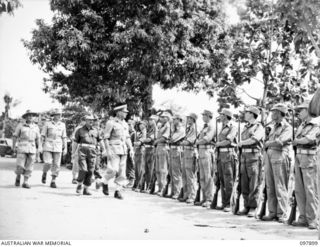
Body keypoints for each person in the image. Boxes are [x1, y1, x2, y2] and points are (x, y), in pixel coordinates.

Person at [263, 103, 292, 222]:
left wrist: (269, 143)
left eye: (274, 111)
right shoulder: (273, 127)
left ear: (280, 113)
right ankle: (272, 212)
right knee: (270, 185)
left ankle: (282, 213)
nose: (272, 114)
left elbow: (280, 141)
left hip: (279, 154)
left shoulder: (287, 127)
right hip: (269, 154)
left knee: (280, 185)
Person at [291, 101, 319, 230]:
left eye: (301, 110)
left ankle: (313, 219)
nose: (298, 113)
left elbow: (309, 139)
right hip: (299, 156)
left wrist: (297, 141)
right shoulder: (301, 125)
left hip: (309, 157)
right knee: (299, 189)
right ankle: (302, 217)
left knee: (310, 189)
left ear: (308, 110)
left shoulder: (316, 124)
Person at [101, 104, 134, 199]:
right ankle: (104, 181)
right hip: (113, 149)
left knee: (122, 171)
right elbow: (106, 137)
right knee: (113, 170)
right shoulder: (111, 123)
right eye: (124, 112)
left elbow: (127, 137)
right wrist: (107, 150)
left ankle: (117, 191)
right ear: (119, 112)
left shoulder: (125, 124)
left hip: (123, 150)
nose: (126, 114)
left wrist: (131, 148)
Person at [237, 106, 265, 217]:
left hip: (254, 156)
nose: (245, 114)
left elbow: (255, 139)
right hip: (244, 156)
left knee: (254, 183)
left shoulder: (259, 127)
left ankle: (253, 207)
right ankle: (246, 205)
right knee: (244, 182)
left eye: (247, 112)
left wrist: (242, 143)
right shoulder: (245, 127)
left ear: (252, 114)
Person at [73, 114, 106, 195]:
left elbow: (100, 140)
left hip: (93, 151)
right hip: (82, 151)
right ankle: (79, 184)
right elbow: (75, 143)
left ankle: (86, 189)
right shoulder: (79, 130)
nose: (91, 121)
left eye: (92, 120)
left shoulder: (96, 130)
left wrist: (104, 149)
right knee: (83, 169)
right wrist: (73, 153)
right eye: (89, 120)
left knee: (91, 171)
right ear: (85, 120)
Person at [215, 109, 238, 212]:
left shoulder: (232, 127)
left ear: (226, 116)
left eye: (222, 115)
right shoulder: (222, 128)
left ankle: (229, 203)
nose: (220, 116)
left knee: (229, 180)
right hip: (221, 154)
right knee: (222, 179)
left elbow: (229, 140)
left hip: (229, 154)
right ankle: (224, 202)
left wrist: (218, 144)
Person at [12, 110, 42, 189]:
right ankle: (18, 175)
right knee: (20, 165)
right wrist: (13, 146)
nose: (30, 117)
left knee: (30, 165)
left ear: (33, 118)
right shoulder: (21, 125)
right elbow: (15, 136)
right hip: (22, 146)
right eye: (28, 116)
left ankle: (25, 182)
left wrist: (40, 147)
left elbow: (38, 138)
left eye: (31, 116)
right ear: (25, 117)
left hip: (32, 147)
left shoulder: (36, 127)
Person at [41, 109, 67, 188]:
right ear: (53, 116)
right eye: (56, 114)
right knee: (48, 162)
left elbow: (64, 137)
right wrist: (40, 146)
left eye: (59, 115)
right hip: (48, 144)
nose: (58, 116)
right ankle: (44, 172)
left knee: (56, 164)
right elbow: (42, 135)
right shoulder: (47, 124)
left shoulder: (62, 125)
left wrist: (65, 148)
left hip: (58, 145)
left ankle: (53, 180)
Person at [195, 110, 216, 208]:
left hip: (207, 151)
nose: (203, 117)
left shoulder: (211, 126)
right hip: (201, 151)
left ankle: (209, 198)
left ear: (208, 116)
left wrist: (197, 142)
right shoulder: (204, 127)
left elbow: (207, 139)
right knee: (202, 177)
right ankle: (204, 197)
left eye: (204, 115)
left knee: (208, 176)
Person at [180, 113, 198, 204]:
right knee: (184, 174)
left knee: (190, 175)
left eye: (189, 118)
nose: (188, 120)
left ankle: (192, 195)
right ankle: (186, 194)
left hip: (190, 151)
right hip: (185, 152)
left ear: (193, 119)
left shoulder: (195, 128)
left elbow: (189, 141)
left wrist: (183, 142)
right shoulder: (188, 128)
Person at [153, 111, 171, 196]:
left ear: (167, 118)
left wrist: (156, 141)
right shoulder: (161, 126)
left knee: (163, 169)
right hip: (158, 147)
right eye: (161, 117)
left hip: (163, 147)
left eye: (164, 117)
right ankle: (160, 188)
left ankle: (163, 188)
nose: (162, 118)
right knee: (158, 169)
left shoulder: (167, 126)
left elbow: (164, 137)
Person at [168, 114, 185, 199]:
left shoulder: (181, 129)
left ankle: (177, 192)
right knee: (171, 172)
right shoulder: (174, 129)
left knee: (176, 172)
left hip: (177, 150)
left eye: (175, 119)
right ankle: (173, 191)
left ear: (179, 119)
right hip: (172, 149)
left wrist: (170, 138)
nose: (173, 121)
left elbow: (172, 139)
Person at [141, 115, 158, 193]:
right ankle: (146, 185)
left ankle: (149, 187)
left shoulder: (155, 129)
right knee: (146, 169)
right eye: (149, 119)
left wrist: (142, 140)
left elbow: (150, 139)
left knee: (150, 169)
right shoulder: (148, 129)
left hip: (151, 149)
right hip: (147, 149)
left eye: (152, 120)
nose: (150, 121)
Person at [133, 120, 147, 192]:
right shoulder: (139, 132)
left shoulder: (145, 131)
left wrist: (139, 142)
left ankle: (140, 185)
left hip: (142, 150)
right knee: (136, 169)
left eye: (142, 124)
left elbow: (143, 139)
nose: (140, 126)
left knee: (140, 169)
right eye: (139, 125)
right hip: (137, 150)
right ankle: (136, 183)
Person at [70, 118, 85, 184]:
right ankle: (74, 177)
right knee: (76, 162)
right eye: (83, 120)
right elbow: (74, 139)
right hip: (78, 146)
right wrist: (73, 152)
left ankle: (82, 177)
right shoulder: (78, 128)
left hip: (85, 147)